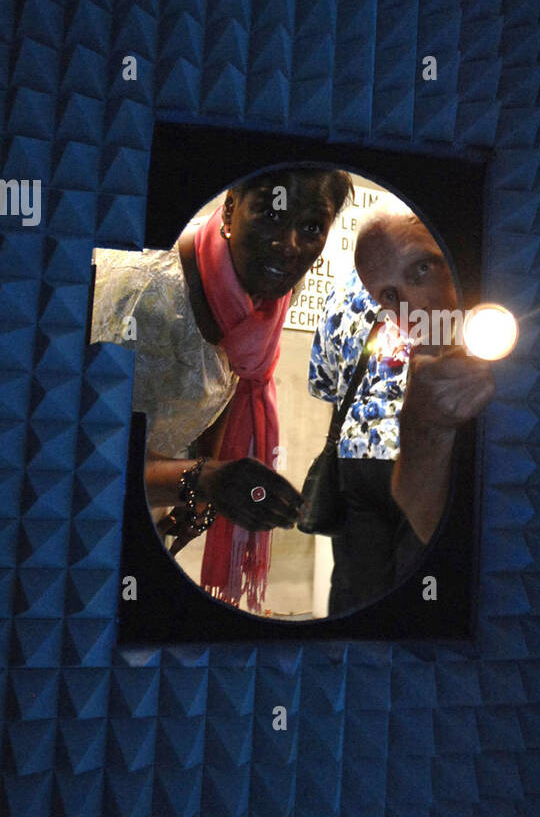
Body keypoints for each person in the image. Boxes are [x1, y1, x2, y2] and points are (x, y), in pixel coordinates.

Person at [90, 167, 354, 612]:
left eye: (311, 227)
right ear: (231, 208)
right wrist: (203, 478)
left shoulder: (258, 305)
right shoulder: (143, 295)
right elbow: (79, 459)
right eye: (271, 214)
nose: (288, 245)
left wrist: (197, 486)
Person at [309, 208, 495, 615]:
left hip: (357, 458)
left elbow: (323, 384)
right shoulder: (472, 298)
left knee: (359, 598)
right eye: (390, 295)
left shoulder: (339, 297)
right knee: (426, 590)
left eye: (423, 269)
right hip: (417, 454)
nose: (413, 310)